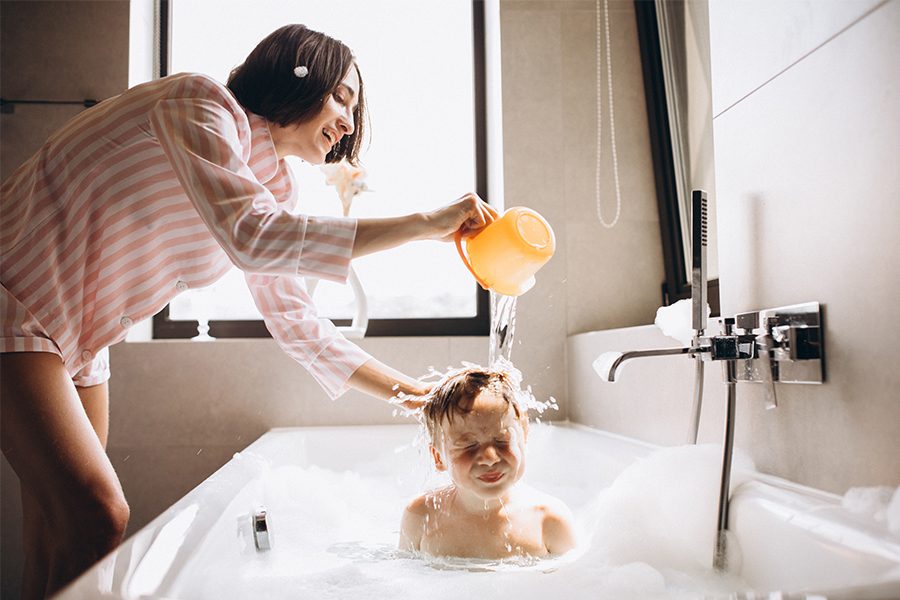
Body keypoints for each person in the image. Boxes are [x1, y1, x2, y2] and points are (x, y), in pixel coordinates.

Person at [0, 24, 497, 599]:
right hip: (16, 299)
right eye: (342, 95)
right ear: (297, 70)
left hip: (79, 346)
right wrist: (421, 225)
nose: (349, 121)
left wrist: (420, 398)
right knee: (97, 516)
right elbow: (251, 237)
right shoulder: (199, 102)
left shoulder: (273, 190)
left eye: (354, 108)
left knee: (55, 538)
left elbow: (298, 324)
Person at [399, 365, 577, 559]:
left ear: (524, 436)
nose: (490, 458)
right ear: (438, 457)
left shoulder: (548, 520)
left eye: (502, 440)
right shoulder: (421, 515)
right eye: (468, 446)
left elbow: (575, 584)